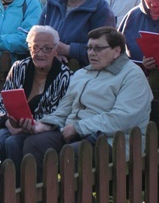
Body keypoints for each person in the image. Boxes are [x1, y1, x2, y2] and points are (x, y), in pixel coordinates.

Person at [21, 27, 152, 180]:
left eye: (98, 48)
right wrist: (45, 124)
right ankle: (44, 196)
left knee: (72, 154)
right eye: (89, 48)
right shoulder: (82, 73)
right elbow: (65, 108)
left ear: (117, 51)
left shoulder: (132, 75)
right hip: (77, 133)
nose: (91, 53)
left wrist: (78, 127)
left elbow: (123, 118)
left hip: (117, 140)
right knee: (35, 144)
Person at [0, 26, 72, 178]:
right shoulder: (19, 68)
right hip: (14, 126)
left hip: (43, 130)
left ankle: (19, 192)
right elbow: (0, 105)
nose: (40, 53)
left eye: (47, 48)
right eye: (35, 47)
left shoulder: (65, 76)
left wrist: (34, 125)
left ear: (56, 50)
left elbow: (60, 113)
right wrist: (7, 122)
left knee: (13, 143)